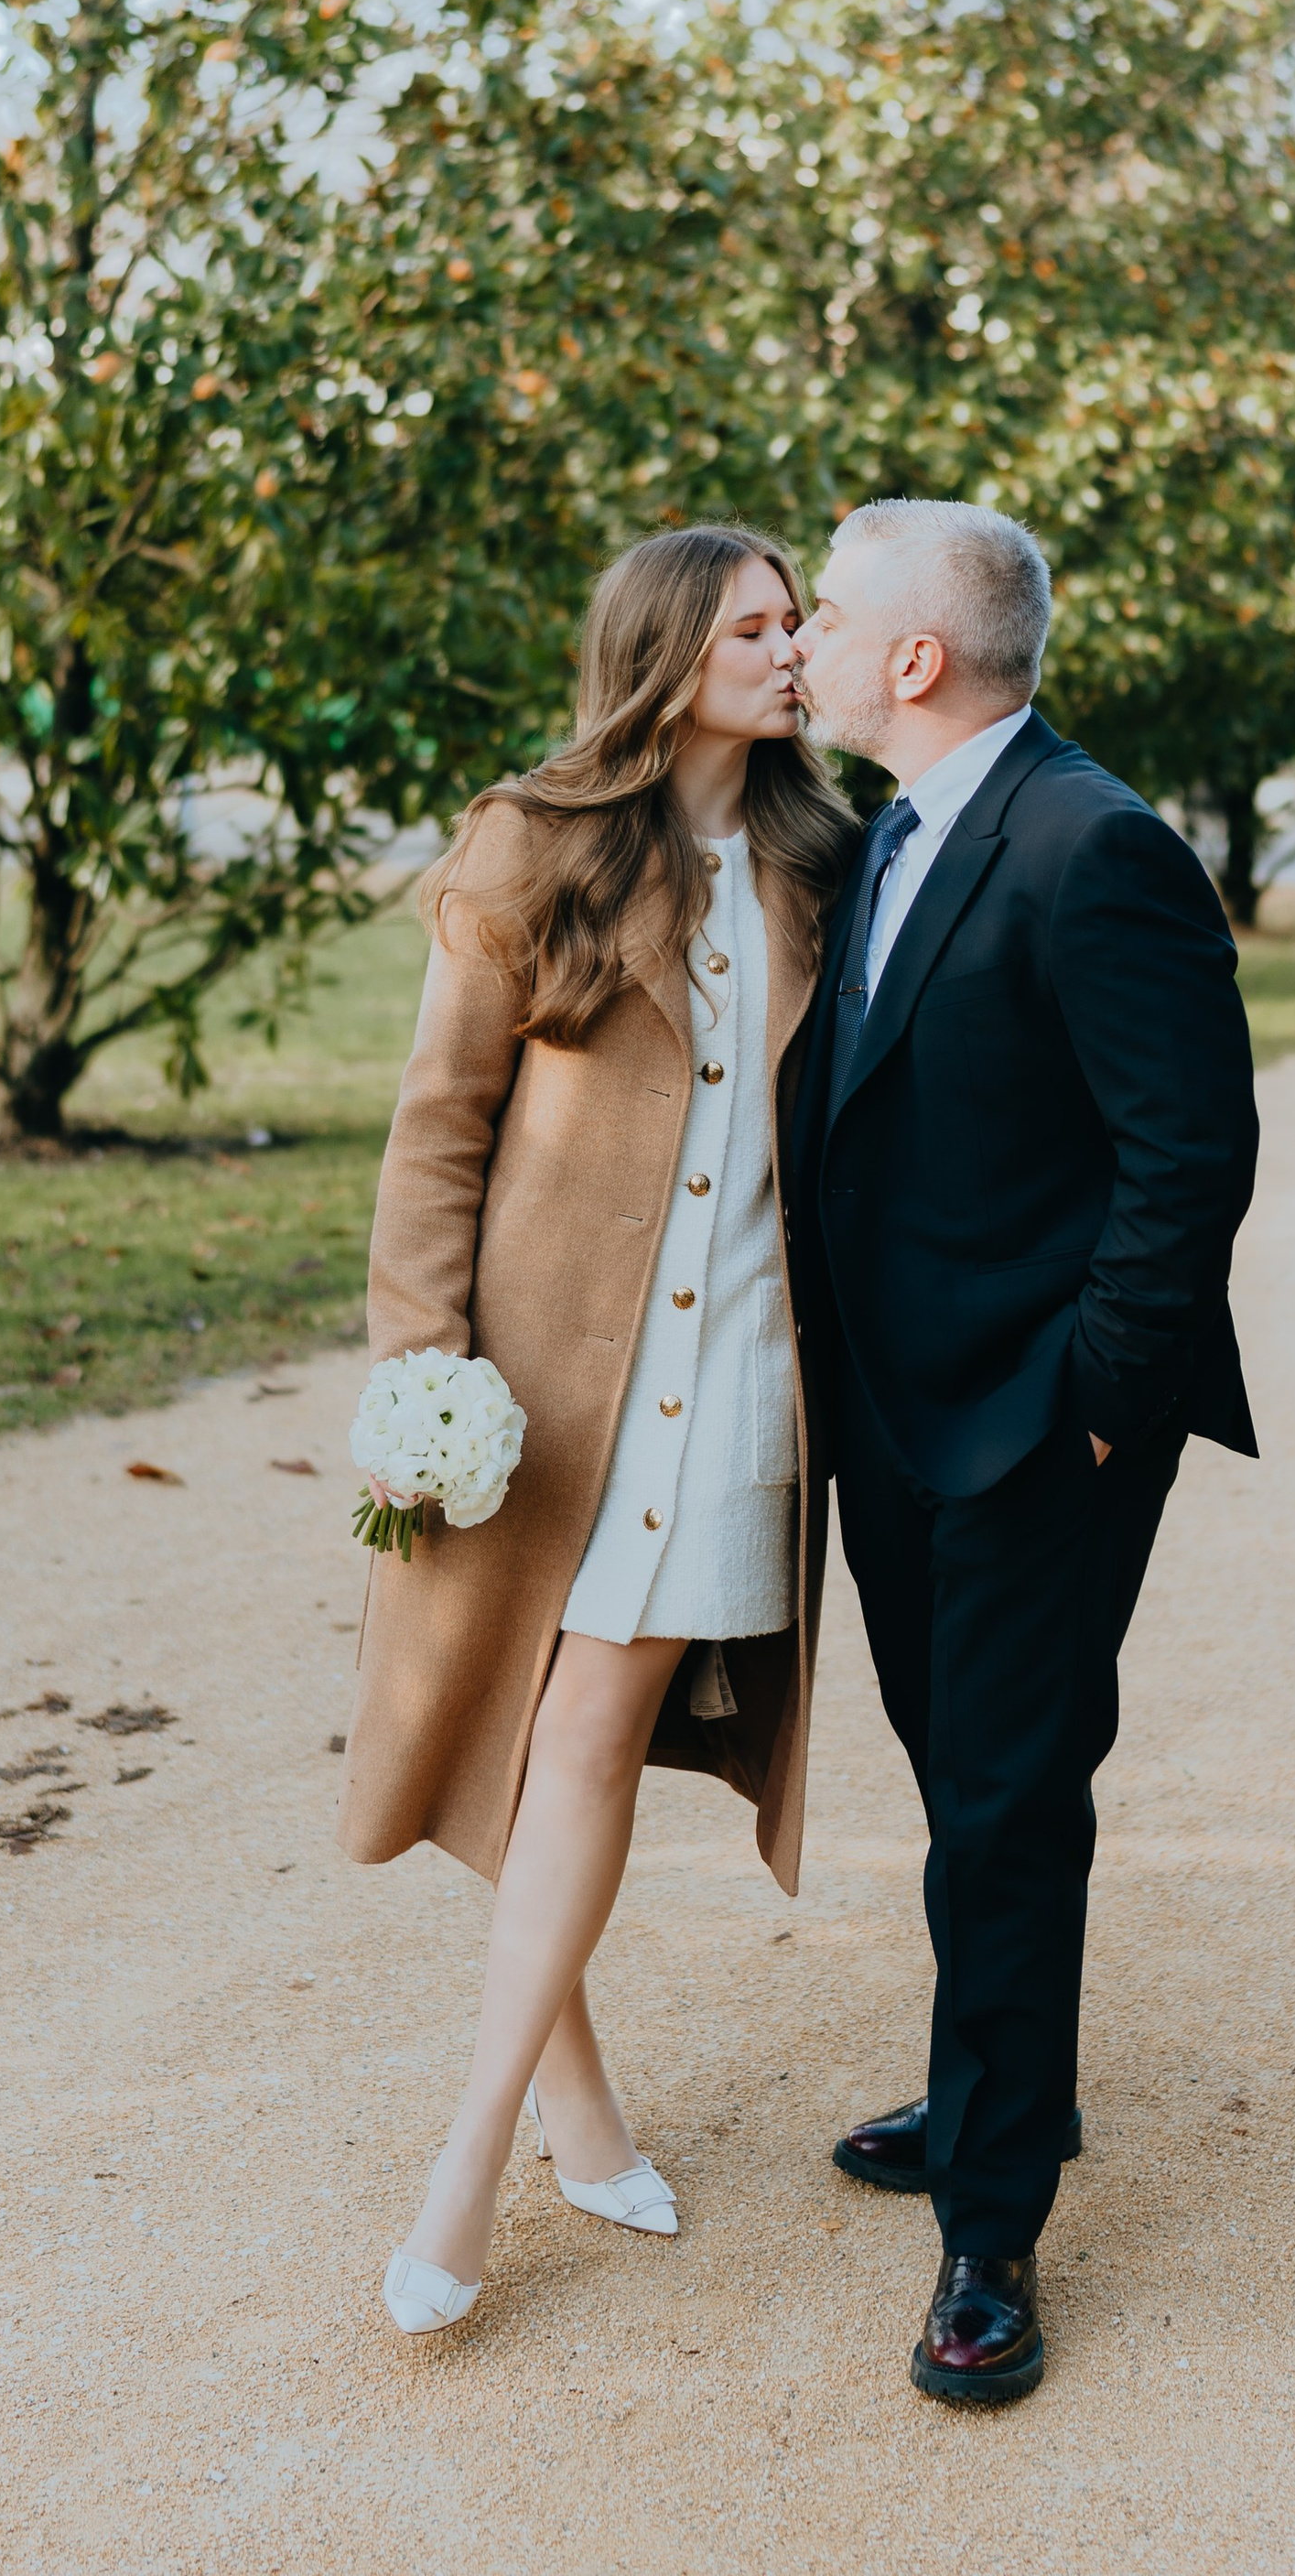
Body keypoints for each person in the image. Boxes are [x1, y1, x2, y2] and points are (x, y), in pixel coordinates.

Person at [339, 524, 858, 2339]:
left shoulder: (829, 864)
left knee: (576, 1738)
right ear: (664, 653)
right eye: (757, 624)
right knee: (514, 1735)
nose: (793, 647)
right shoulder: (532, 844)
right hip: (537, 1391)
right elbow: (437, 1129)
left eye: (799, 621)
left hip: (739, 1403)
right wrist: (418, 1364)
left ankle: (465, 2165)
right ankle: (571, 2102)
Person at [787, 499, 1259, 2406]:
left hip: (1029, 1434)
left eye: (825, 613)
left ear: (915, 658)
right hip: (889, 1418)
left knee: (1003, 1797)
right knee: (960, 1777)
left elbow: (1189, 1160)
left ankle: (989, 2225)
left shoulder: (1095, 846)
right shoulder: (878, 840)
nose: (803, 639)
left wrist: (1090, 1412)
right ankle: (995, 2085)